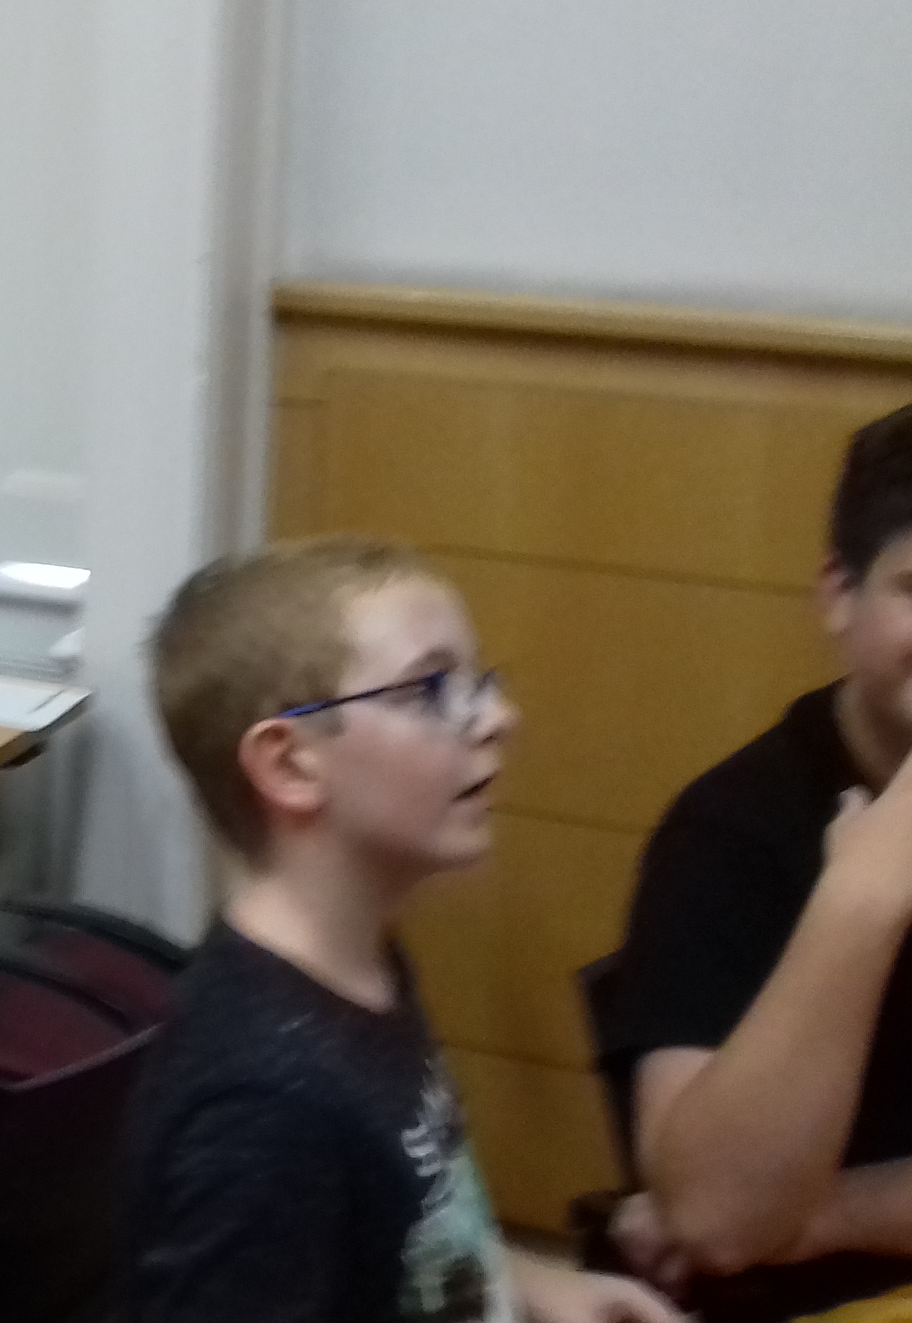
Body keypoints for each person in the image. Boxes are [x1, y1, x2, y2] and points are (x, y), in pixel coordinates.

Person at [124, 536, 679, 1323]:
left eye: (479, 681)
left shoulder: (360, 966)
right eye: (429, 689)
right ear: (290, 765)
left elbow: (408, 1216)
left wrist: (529, 1284)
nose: (500, 717)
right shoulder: (262, 1110)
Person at [599, 396, 912, 1319]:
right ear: (839, 593)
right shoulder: (731, 832)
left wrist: (830, 1212)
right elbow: (718, 1221)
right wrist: (861, 904)